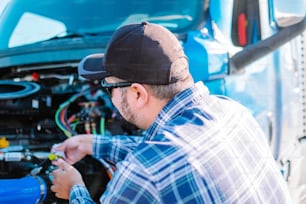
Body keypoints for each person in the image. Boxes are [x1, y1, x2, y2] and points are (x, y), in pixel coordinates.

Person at [50, 22, 292, 203]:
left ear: (137, 93)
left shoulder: (143, 172)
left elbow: (153, 165)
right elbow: (174, 156)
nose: (109, 96)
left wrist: (75, 190)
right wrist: (95, 144)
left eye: (108, 86)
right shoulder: (232, 111)